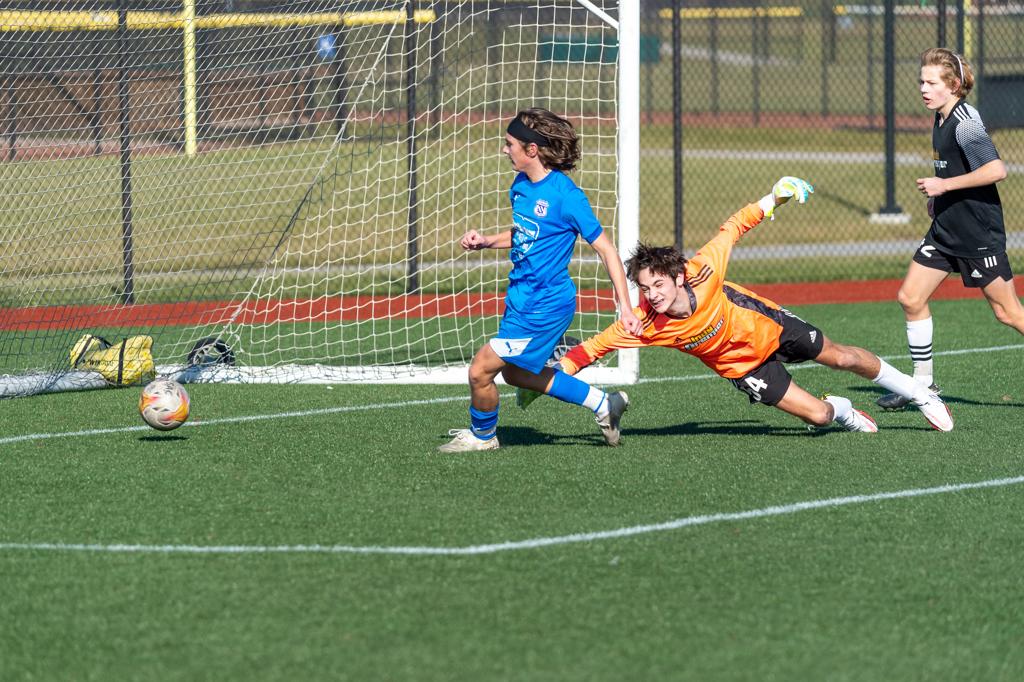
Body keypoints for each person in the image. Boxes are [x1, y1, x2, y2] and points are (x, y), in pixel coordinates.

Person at [521, 177, 954, 434]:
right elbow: (589, 350)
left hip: (771, 326)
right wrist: (546, 381)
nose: (650, 295)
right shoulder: (643, 324)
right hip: (744, 368)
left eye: (656, 285)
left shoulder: (703, 268)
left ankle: (918, 393)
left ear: (677, 276)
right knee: (819, 417)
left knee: (841, 356)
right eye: (642, 288)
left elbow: (736, 225)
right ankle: (843, 410)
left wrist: (776, 196)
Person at [438, 108, 642, 452]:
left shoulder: (567, 197)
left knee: (480, 371)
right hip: (520, 297)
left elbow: (607, 250)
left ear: (532, 150)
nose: (505, 150)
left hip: (545, 305)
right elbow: (525, 233)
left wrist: (626, 308)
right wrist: (487, 240)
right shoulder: (520, 185)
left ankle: (482, 435)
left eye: (510, 144)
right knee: (516, 375)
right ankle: (604, 404)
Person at [877, 47, 1023, 410]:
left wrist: (944, 187)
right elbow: (955, 168)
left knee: (1008, 313)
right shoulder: (940, 117)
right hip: (946, 228)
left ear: (953, 85)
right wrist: (939, 199)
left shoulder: (966, 122)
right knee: (910, 298)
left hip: (977, 233)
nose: (923, 89)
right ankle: (922, 387)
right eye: (921, 82)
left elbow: (996, 171)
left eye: (931, 82)